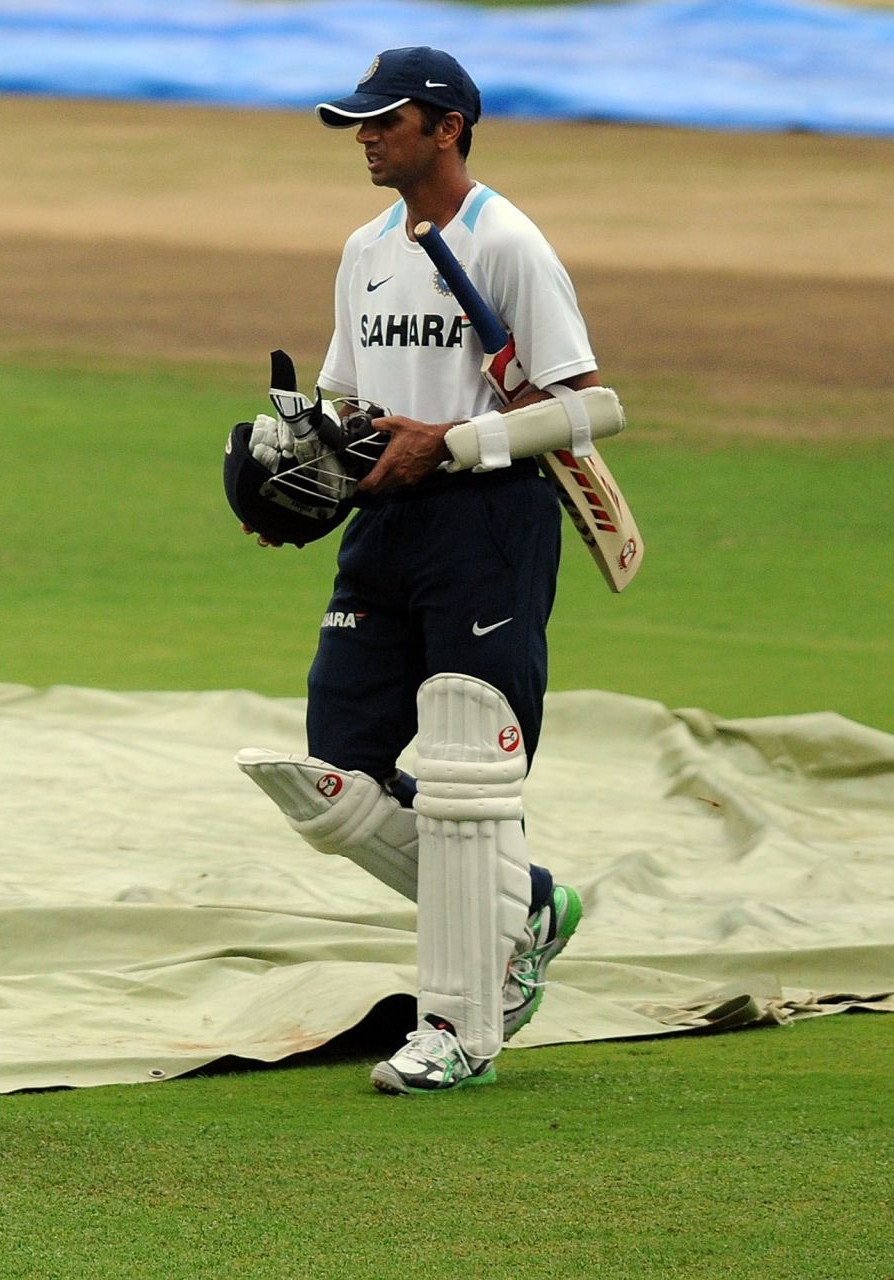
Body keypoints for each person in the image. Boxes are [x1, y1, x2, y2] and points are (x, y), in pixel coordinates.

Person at [236, 49, 592, 1094]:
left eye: (385, 119)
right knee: (336, 776)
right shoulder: (364, 250)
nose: (365, 134)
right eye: (360, 119)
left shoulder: (510, 242)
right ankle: (522, 903)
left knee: (466, 775)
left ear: (448, 126)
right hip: (384, 525)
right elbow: (349, 394)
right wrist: (303, 471)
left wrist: (455, 442)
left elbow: (585, 409)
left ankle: (461, 1025)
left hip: (488, 521)